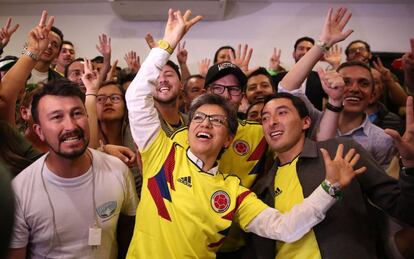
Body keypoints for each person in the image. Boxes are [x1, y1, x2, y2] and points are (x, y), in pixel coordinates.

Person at [125, 9, 366, 258]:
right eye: (198, 118)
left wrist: (330, 188)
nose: (205, 124)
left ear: (229, 137)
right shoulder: (162, 152)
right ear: (189, 128)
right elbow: (135, 96)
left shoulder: (234, 192)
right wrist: (168, 44)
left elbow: (284, 227)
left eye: (217, 121)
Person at [9, 79, 138, 259]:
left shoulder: (118, 171)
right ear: (39, 131)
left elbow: (129, 234)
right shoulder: (19, 191)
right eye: (57, 117)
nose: (70, 126)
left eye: (77, 113)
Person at [272, 36, 327, 110]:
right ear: (294, 54)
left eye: (309, 50)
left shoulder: (320, 77)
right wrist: (272, 70)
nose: (305, 52)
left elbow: (335, 95)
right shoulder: (280, 77)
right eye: (301, 49)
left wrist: (335, 65)